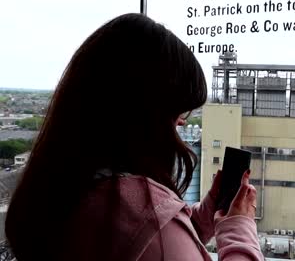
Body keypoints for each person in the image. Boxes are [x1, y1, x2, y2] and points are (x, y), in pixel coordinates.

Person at [5, 13, 263, 261]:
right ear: (145, 111)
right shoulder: (142, 214)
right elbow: (154, 241)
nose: (183, 121)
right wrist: (239, 231)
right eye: (179, 110)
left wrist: (202, 216)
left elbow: (143, 245)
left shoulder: (61, 187)